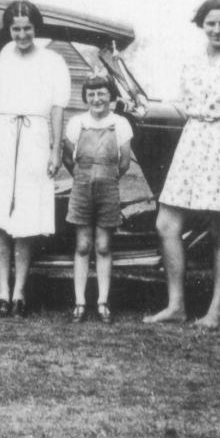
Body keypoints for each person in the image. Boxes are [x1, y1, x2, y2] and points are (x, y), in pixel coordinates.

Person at [144, 0, 220, 329]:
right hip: (192, 140)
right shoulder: (192, 62)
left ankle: (216, 311)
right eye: (210, 23)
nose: (216, 29)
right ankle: (176, 306)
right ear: (202, 25)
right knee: (166, 224)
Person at [0, 0, 71, 318]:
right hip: (2, 138)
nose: (21, 34)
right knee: (0, 219)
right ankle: (2, 291)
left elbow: (57, 110)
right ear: (9, 30)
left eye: (27, 28)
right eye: (15, 29)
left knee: (27, 219)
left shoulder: (54, 62)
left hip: (34, 139)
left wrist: (55, 151)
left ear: (35, 28)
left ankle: (20, 292)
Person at [63, 74, 133, 324]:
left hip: (108, 189)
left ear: (110, 96)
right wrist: (83, 177)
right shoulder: (76, 122)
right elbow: (68, 158)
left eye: (102, 93)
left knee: (103, 246)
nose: (97, 99)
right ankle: (80, 302)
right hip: (81, 189)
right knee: (82, 246)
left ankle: (103, 302)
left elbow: (124, 162)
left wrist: (105, 176)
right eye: (91, 94)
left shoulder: (121, 123)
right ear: (85, 98)